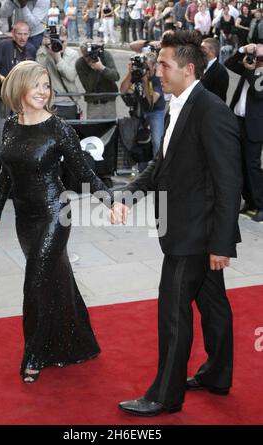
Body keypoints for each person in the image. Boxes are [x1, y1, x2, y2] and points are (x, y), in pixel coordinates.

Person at [112, 30, 242, 415]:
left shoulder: (210, 109)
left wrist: (221, 243)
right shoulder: (178, 103)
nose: (157, 70)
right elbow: (163, 163)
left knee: (172, 312)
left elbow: (229, 181)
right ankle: (217, 375)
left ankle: (163, 395)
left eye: (164, 65)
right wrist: (128, 193)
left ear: (188, 68)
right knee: (214, 304)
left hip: (195, 234)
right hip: (186, 226)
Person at [0, 60, 113, 384]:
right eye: (38, 85)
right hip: (24, 218)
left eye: (47, 85)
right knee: (57, 277)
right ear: (19, 88)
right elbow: (6, 175)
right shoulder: (11, 125)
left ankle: (35, 352)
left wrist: (111, 200)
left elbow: (84, 172)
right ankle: (78, 341)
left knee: (35, 281)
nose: (44, 91)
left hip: (56, 212)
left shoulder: (59, 128)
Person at [225, 43, 263, 222]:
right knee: (241, 164)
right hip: (238, 121)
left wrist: (250, 70)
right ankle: (249, 200)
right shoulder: (250, 66)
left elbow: (258, 93)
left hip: (255, 126)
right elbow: (229, 63)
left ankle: (261, 204)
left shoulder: (259, 73)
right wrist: (242, 50)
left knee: (253, 166)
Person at [120, 51, 165, 172]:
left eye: (147, 66)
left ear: (154, 66)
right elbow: (123, 90)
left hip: (155, 112)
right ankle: (142, 170)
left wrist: (145, 82)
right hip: (139, 112)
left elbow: (151, 102)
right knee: (139, 141)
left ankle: (158, 170)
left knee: (156, 141)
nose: (144, 69)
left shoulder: (157, 77)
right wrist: (131, 73)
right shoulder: (136, 74)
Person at [76, 42, 120, 119]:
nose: (88, 58)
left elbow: (116, 76)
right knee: (94, 129)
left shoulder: (105, 55)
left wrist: (102, 68)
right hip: (93, 104)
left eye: (90, 55)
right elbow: (89, 87)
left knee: (111, 128)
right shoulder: (80, 63)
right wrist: (94, 69)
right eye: (86, 56)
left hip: (109, 102)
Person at [201, 37, 229, 101]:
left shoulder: (221, 72)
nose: (200, 50)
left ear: (212, 51)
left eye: (203, 48)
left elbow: (219, 98)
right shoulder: (198, 65)